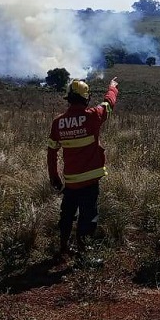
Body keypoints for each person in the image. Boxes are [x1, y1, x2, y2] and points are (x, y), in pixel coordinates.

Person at [47, 77, 119, 259]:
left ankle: (63, 247)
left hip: (71, 181)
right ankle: (84, 255)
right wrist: (112, 88)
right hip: (89, 181)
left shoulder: (58, 123)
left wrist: (54, 177)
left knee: (67, 214)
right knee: (88, 217)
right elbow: (108, 104)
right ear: (85, 98)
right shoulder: (93, 116)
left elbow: (51, 152)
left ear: (69, 98)